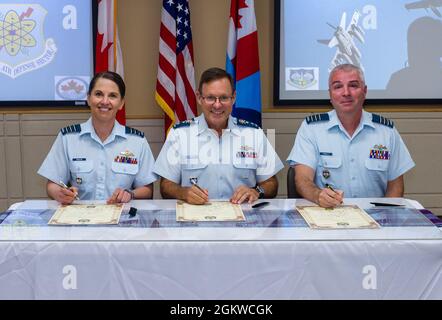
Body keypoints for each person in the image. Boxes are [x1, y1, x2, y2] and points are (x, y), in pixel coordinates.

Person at [287, 64, 415, 208]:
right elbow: (302, 179)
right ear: (330, 94)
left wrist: (385, 219)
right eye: (338, 87)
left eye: (353, 86)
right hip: (327, 216)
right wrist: (318, 195)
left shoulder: (386, 132)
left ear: (365, 91)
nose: (346, 92)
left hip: (376, 219)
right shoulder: (311, 129)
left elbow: (395, 187)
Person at [153, 67, 284, 205]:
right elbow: (166, 186)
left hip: (244, 219)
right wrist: (183, 193)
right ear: (199, 98)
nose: (217, 105)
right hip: (195, 218)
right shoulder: (180, 134)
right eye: (210, 98)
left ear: (233, 98)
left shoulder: (253, 133)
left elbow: (271, 184)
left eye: (223, 98)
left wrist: (256, 191)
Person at [38, 71, 157, 205]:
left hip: (121, 219)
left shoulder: (137, 141)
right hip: (79, 220)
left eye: (112, 96)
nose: (105, 101)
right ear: (89, 99)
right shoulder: (68, 138)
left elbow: (147, 189)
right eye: (98, 94)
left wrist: (130, 194)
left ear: (121, 103)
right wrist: (60, 193)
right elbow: (52, 184)